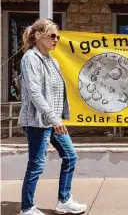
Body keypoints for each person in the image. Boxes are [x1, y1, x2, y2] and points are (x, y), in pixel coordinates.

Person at [18, 19, 87, 215]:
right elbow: (34, 91)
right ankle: (27, 207)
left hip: (54, 120)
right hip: (38, 121)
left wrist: (57, 117)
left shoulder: (53, 61)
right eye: (52, 36)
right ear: (39, 36)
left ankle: (64, 200)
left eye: (58, 36)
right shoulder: (30, 58)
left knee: (70, 156)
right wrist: (52, 118)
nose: (57, 39)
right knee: (37, 164)